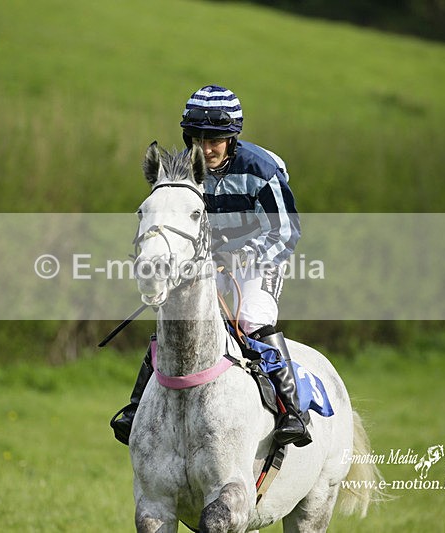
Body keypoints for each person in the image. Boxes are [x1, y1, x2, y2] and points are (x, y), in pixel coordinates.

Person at [110, 85, 310, 447]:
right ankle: (137, 406)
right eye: (197, 137)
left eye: (215, 138)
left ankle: (291, 411)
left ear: (232, 138)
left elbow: (286, 231)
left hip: (260, 260)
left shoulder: (260, 169)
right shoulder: (183, 173)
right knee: (176, 320)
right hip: (205, 265)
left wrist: (240, 257)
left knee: (251, 318)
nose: (205, 147)